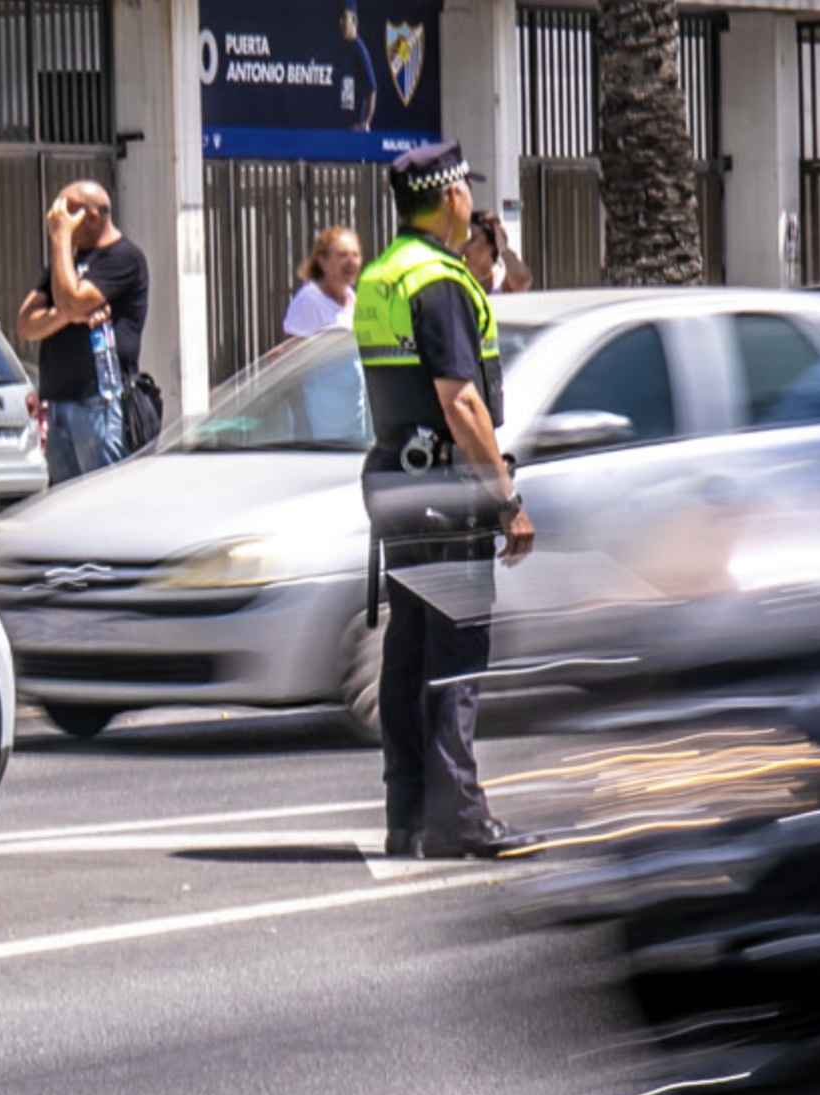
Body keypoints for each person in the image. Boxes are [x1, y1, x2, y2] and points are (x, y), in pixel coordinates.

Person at [353, 142, 540, 860]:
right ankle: (457, 815)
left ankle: (405, 812)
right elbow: (461, 403)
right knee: (454, 657)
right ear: (451, 196)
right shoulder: (439, 280)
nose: (470, 200)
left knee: (407, 650)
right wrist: (505, 501)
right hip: (444, 489)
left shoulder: (381, 276)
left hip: (396, 485)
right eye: (466, 188)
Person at [14, 180, 150, 485]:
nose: (56, 219)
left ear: (91, 217)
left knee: (100, 499)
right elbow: (26, 324)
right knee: (65, 505)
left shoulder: (124, 258)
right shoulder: (67, 265)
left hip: (98, 403)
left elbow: (71, 299)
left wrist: (61, 239)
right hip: (59, 402)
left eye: (66, 213)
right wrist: (68, 314)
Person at [283, 226, 368, 442]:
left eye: (355, 255)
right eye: (342, 255)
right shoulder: (309, 300)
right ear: (322, 260)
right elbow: (290, 366)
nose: (351, 262)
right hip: (320, 424)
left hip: (353, 416)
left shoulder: (352, 297)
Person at [463, 210, 533, 294]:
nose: (464, 246)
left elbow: (522, 282)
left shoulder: (500, 281)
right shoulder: (456, 281)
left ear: (492, 245)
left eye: (472, 238)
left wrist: (503, 248)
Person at [337, 1, 379, 132]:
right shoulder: (345, 47)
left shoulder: (360, 49)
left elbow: (372, 88)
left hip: (356, 127)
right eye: (340, 19)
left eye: (345, 18)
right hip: (345, 124)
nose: (341, 22)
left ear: (354, 20)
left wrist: (366, 123)